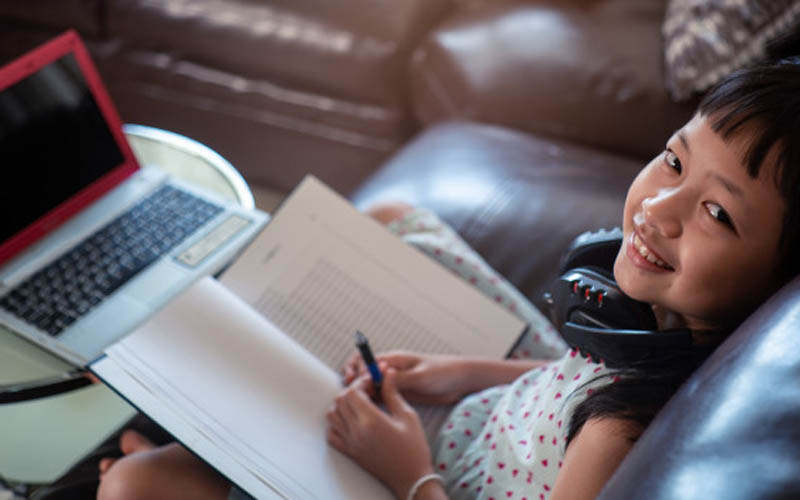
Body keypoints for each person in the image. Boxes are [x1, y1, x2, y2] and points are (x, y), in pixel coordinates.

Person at [94, 59, 800, 500]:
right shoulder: (655, 328)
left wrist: (407, 471)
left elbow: (588, 413)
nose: (657, 208)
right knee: (397, 216)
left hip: (438, 477)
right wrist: (462, 371)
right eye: (674, 162)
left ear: (775, 281)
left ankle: (165, 455)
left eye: (716, 212)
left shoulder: (616, 439)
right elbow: (572, 378)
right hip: (499, 408)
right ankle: (184, 446)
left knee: (136, 486)